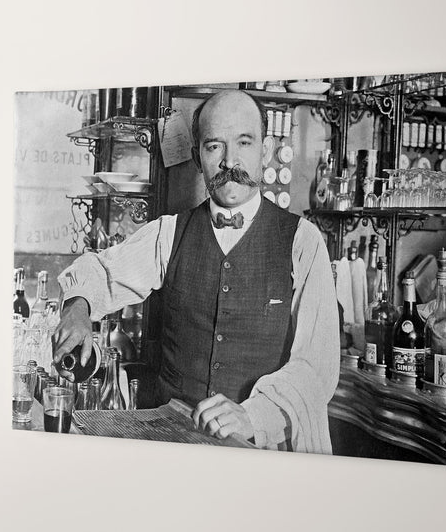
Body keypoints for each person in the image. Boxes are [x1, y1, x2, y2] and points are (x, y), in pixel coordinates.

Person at [54, 90, 340, 454]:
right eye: (214, 146)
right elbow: (100, 270)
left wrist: (253, 415)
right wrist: (78, 306)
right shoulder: (169, 233)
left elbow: (316, 368)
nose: (230, 160)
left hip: (259, 453)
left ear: (265, 151)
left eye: (245, 142)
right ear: (196, 157)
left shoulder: (303, 241)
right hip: (173, 442)